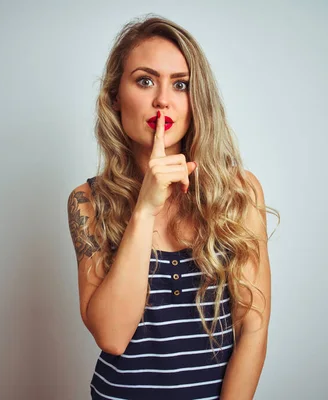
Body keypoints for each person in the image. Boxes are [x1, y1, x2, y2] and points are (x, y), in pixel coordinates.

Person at [67, 14, 278, 400]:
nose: (163, 99)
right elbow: (112, 337)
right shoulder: (88, 202)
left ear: (196, 100)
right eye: (145, 80)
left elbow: (253, 327)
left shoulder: (238, 192)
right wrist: (144, 209)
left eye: (180, 85)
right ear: (116, 95)